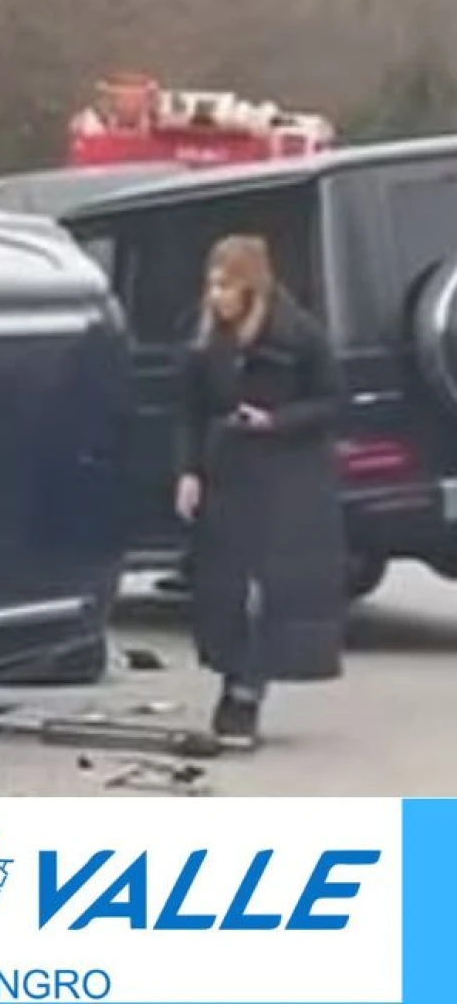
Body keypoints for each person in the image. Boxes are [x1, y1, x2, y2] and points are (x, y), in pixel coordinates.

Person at [175, 234, 346, 749]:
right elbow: (186, 410)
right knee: (222, 584)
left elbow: (332, 402)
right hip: (228, 469)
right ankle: (233, 675)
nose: (215, 294)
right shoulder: (205, 337)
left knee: (270, 588)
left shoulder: (299, 335)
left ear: (251, 286)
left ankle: (245, 692)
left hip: (288, 473)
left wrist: (275, 420)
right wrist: (188, 471)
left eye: (225, 284)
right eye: (211, 282)